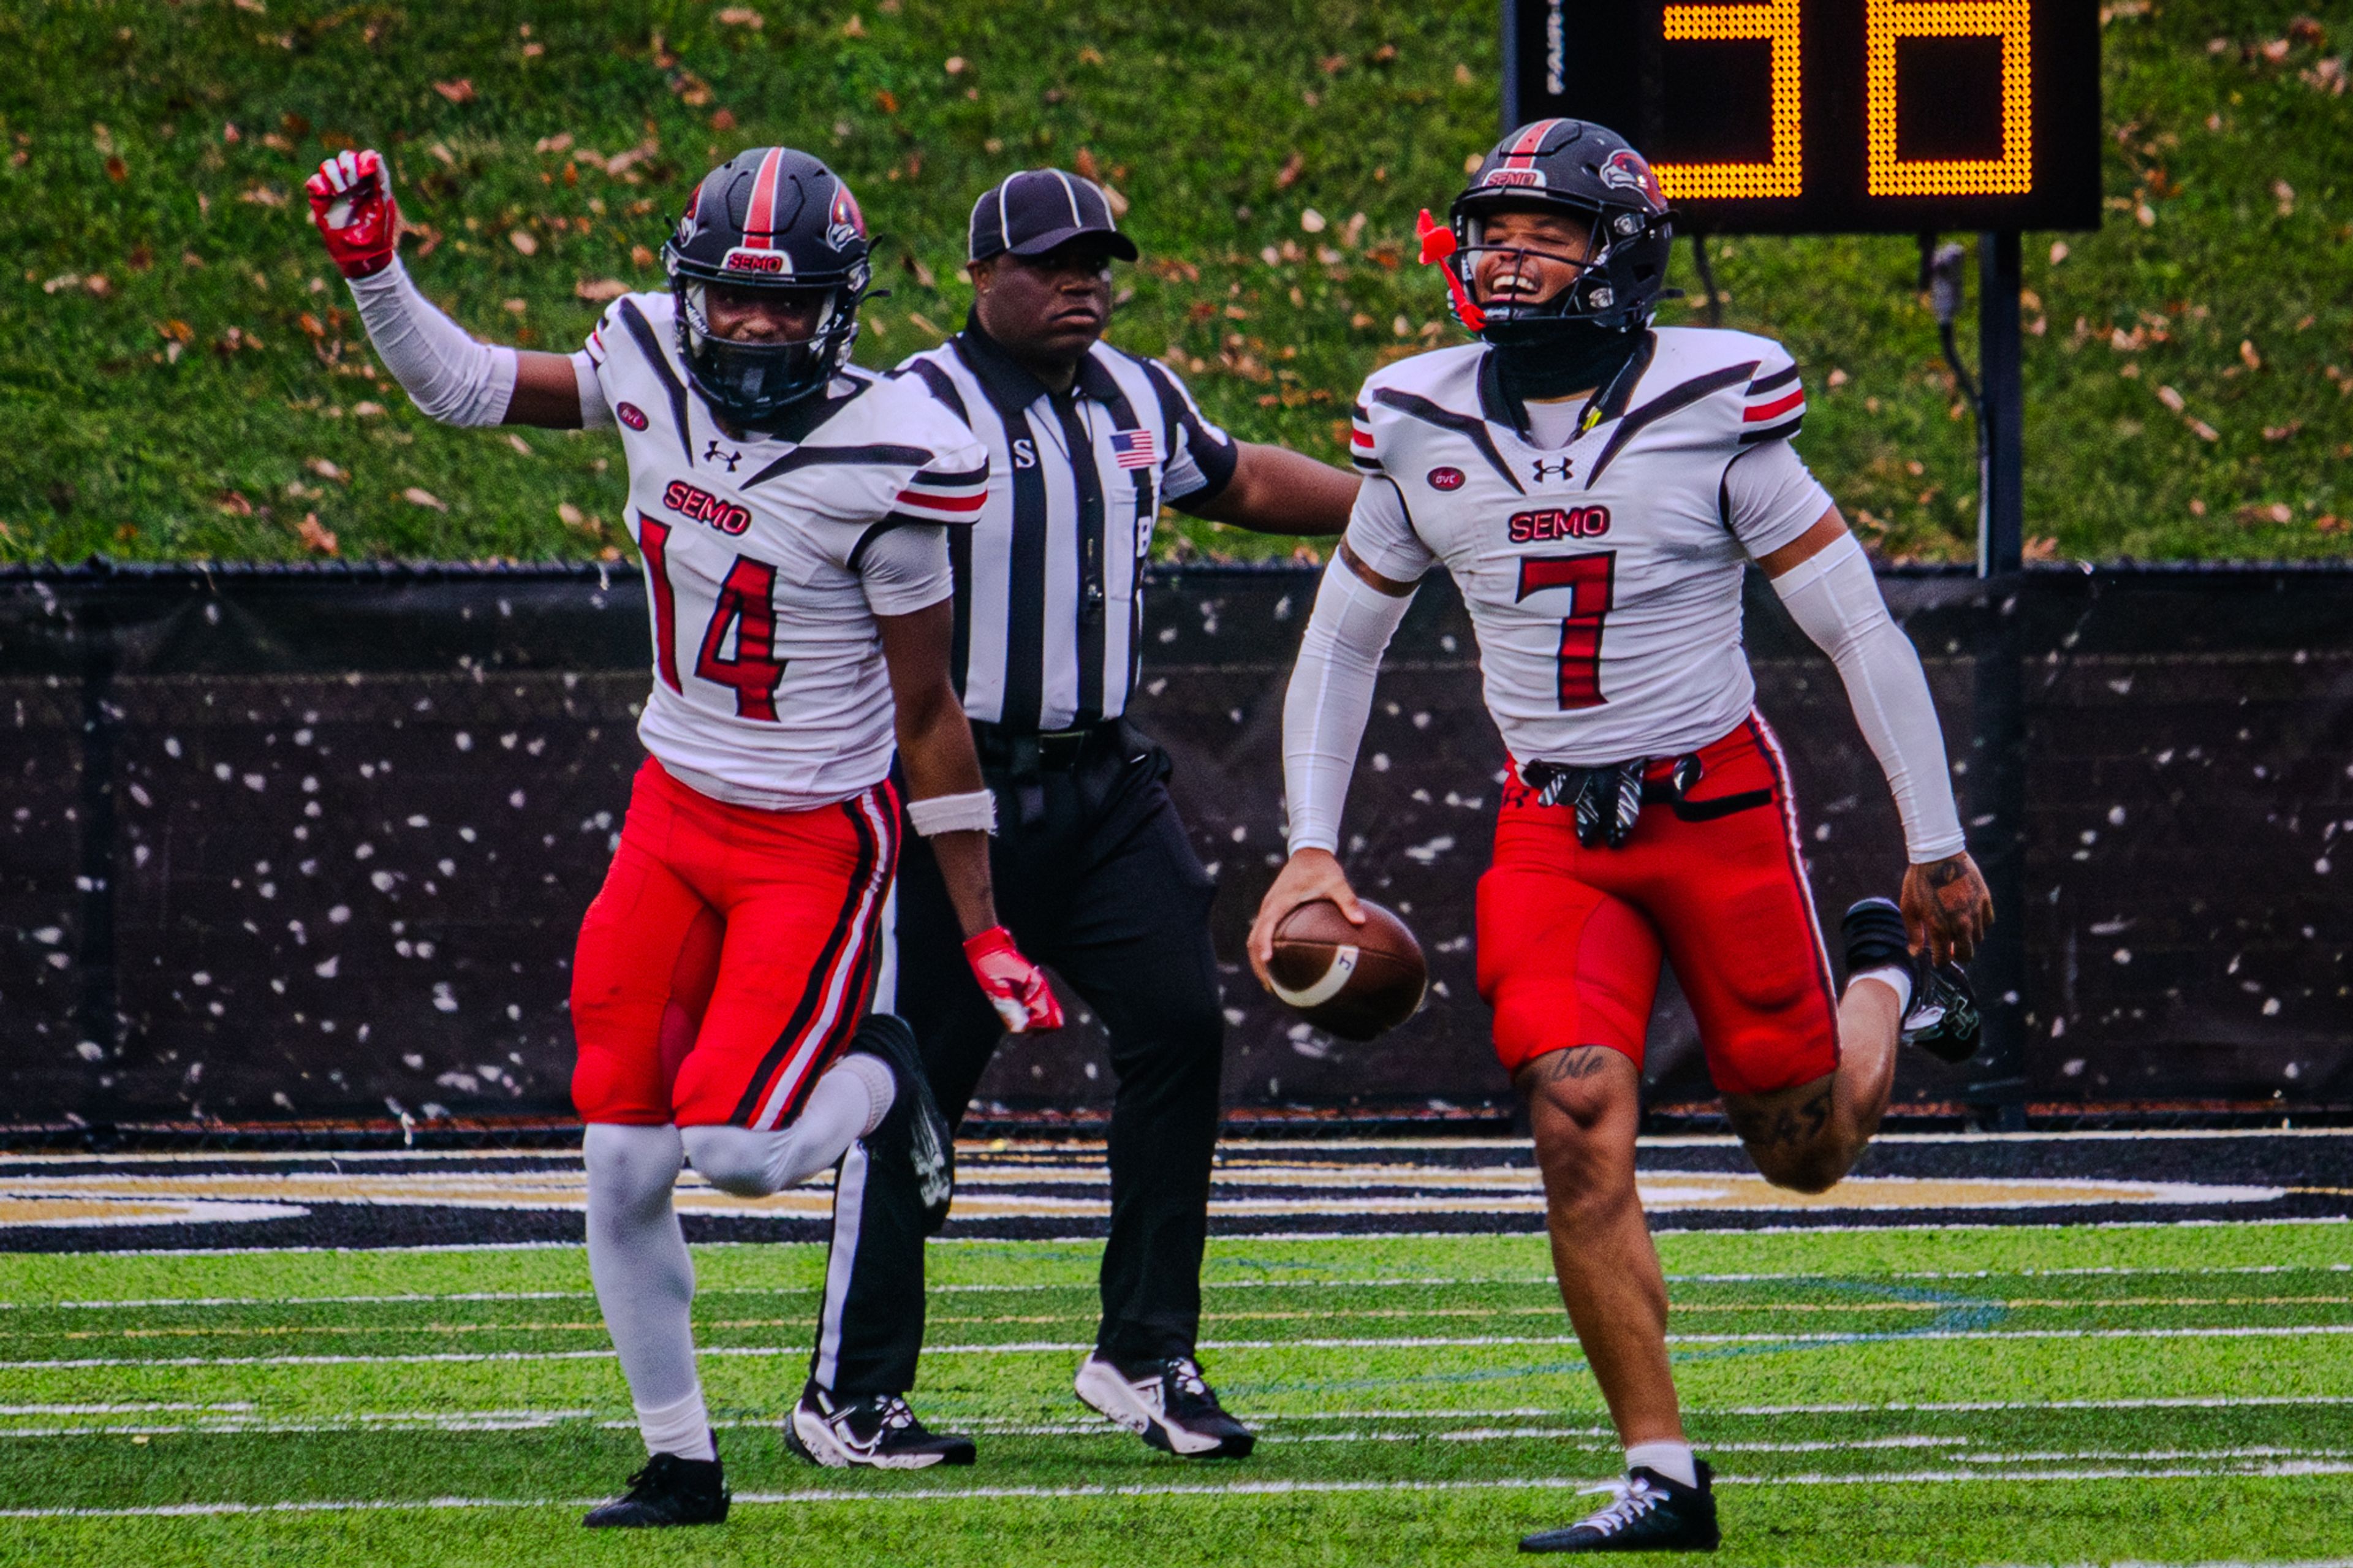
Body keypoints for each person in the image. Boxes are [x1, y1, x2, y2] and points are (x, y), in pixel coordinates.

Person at [1247, 119, 1995, 1553]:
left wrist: (1934, 839)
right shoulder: (1420, 418)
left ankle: (1885, 978)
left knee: (1804, 1148)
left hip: (1713, 807)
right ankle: (1662, 1468)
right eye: (1492, 229)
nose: (1508, 256)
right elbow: (1344, 643)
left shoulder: (1716, 403)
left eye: (1549, 233)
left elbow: (1856, 628)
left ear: (1624, 253)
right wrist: (1310, 842)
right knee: (1575, 1118)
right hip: (1550, 828)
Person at [305, 145, 1063, 1523]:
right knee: (622, 1152)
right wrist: (375, 273)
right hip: (672, 812)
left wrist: (982, 923)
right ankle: (682, 1457)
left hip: (811, 837)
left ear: (839, 308)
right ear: (688, 291)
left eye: (789, 306)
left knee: (741, 1149)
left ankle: (890, 1076)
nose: (757, 327)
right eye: (735, 300)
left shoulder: (897, 451)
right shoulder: (647, 354)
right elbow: (473, 387)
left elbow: (931, 707)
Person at [795, 169, 1360, 1466]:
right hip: (954, 792)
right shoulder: (909, 412)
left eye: (1098, 258)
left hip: (1107, 787)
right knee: (911, 1089)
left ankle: (1145, 1347)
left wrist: (1395, 510)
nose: (1082, 281)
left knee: (1177, 1029)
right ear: (977, 274)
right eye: (1051, 261)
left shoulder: (1136, 395)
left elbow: (1241, 478)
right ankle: (850, 1387)